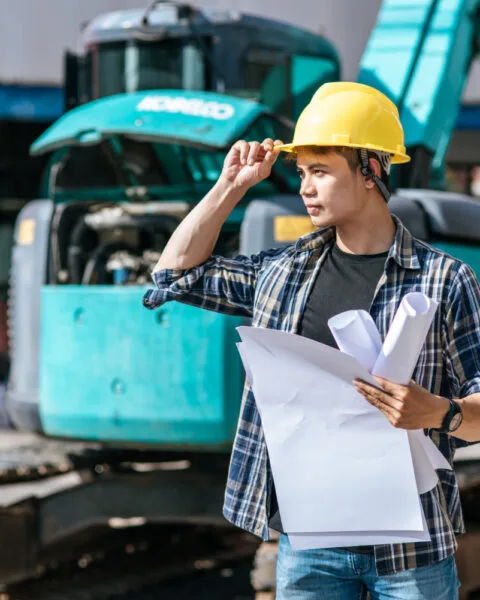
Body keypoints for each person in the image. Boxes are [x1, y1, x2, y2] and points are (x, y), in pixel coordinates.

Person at [143, 81, 480, 599]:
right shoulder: (282, 272)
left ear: (372, 170)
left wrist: (438, 413)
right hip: (309, 542)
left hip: (410, 549)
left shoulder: (445, 279)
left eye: (320, 171)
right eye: (302, 173)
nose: (305, 188)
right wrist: (229, 186)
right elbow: (174, 276)